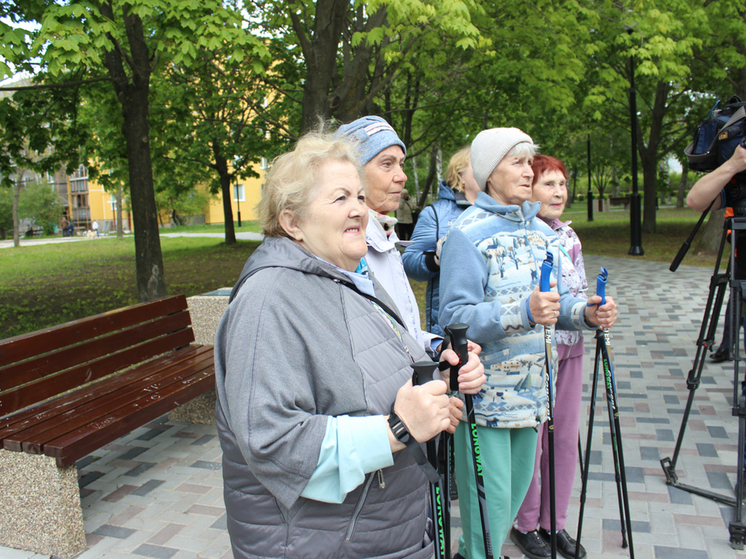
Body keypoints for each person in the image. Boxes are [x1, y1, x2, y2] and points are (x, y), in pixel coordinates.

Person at [214, 132, 486, 559]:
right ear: (292, 222)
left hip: (381, 529)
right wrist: (397, 429)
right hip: (323, 542)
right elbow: (271, 440)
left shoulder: (347, 277)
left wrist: (441, 374)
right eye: (340, 198)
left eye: (359, 196)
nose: (359, 208)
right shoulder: (268, 301)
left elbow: (378, 371)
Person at [438, 128, 618, 559]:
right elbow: (454, 317)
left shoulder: (544, 232)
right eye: (516, 162)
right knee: (487, 519)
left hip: (537, 395)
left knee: (509, 507)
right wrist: (522, 311)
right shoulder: (466, 233)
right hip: (486, 400)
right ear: (488, 171)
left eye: (528, 161)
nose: (528, 170)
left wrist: (587, 313)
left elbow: (557, 304)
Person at [511, 155, 588, 559]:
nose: (558, 192)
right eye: (548, 184)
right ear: (528, 190)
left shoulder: (570, 237)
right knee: (532, 439)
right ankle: (525, 523)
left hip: (571, 350)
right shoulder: (525, 236)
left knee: (563, 440)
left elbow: (579, 288)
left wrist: (595, 310)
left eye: (562, 183)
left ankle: (553, 522)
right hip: (536, 352)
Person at [334, 116, 442, 355]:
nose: (401, 176)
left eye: (401, 164)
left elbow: (398, 330)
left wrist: (435, 347)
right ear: (352, 173)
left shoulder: (384, 235)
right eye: (387, 164)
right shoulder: (344, 249)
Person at [402, 146, 480, 337]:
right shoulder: (436, 214)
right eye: (478, 165)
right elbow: (409, 261)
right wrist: (436, 259)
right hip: (451, 327)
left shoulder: (501, 211)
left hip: (494, 319)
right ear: (460, 175)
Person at [687, 144, 746, 360]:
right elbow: (695, 199)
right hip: (742, 254)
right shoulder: (739, 178)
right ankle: (727, 346)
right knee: (738, 295)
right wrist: (732, 164)